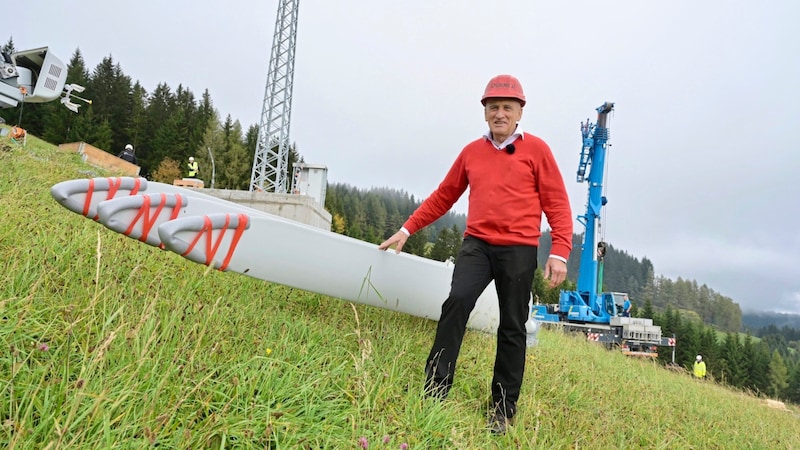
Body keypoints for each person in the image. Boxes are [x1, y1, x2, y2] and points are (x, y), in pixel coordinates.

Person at [378, 74, 573, 435]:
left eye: (507, 108)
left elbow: (558, 204)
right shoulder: (471, 152)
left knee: (512, 325)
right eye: (493, 107)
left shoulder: (537, 151)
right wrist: (407, 229)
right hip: (477, 245)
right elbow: (443, 195)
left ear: (519, 113)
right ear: (485, 113)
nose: (499, 113)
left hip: (518, 248)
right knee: (456, 303)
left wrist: (559, 250)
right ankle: (434, 391)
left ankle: (502, 408)